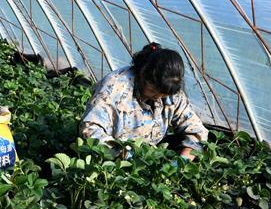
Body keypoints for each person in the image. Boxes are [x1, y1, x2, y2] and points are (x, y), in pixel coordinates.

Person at [79, 42, 208, 160]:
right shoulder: (115, 86)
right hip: (116, 157)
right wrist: (125, 155)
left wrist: (181, 163)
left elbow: (196, 129)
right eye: (154, 91)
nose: (159, 97)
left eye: (164, 95)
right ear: (143, 75)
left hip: (150, 153)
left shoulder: (170, 89)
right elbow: (90, 129)